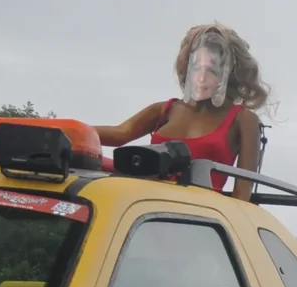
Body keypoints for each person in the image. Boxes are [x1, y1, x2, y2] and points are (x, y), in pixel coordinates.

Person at [98, 24, 269, 197]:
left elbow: (242, 192)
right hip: (147, 205)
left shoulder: (243, 120)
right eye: (196, 68)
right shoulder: (165, 110)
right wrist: (72, 128)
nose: (202, 78)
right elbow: (120, 133)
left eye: (211, 70)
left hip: (198, 216)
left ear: (228, 73)